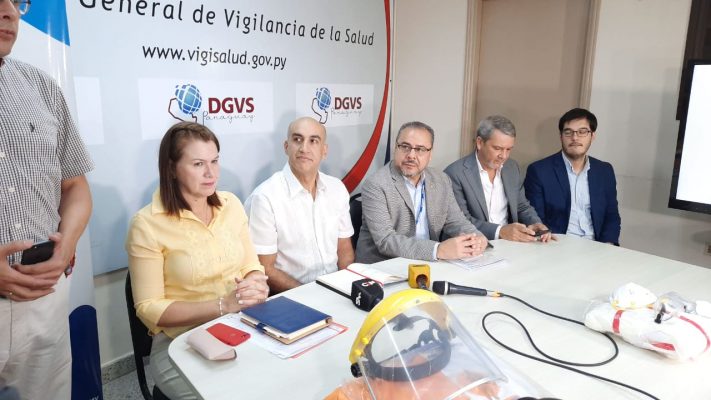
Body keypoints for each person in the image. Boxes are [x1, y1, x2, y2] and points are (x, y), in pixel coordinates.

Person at [125, 122, 269, 399]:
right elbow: (149, 307)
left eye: (214, 161)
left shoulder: (230, 204)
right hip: (180, 343)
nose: (211, 173)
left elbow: (251, 266)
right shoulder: (146, 224)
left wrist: (255, 284)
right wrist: (223, 305)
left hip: (240, 325)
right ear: (171, 168)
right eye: (198, 164)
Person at [0, 0, 95, 398]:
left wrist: (66, 245)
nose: (10, 12)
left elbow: (74, 185)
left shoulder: (40, 86)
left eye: (14, 0)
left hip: (44, 295)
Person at [245, 117, 354, 294]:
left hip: (336, 291)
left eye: (313, 141)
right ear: (286, 146)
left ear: (324, 151)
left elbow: (344, 250)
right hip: (291, 296)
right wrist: (310, 295)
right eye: (297, 139)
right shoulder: (264, 197)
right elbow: (264, 268)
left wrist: (346, 289)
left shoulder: (337, 188)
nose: (304, 148)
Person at [356, 121, 488, 264]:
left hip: (428, 263)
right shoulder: (376, 184)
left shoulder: (441, 180)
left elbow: (456, 221)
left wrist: (476, 238)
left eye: (420, 149)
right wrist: (438, 250)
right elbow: (386, 240)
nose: (411, 155)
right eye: (405, 147)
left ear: (430, 154)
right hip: (384, 266)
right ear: (395, 148)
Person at [444, 116, 552, 242]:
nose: (504, 156)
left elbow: (522, 206)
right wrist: (500, 231)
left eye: (508, 149)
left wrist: (535, 223)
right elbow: (460, 221)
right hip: (473, 244)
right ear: (479, 143)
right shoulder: (454, 174)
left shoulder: (512, 167)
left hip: (511, 244)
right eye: (497, 148)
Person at [524, 108, 621, 245]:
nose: (575, 138)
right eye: (568, 132)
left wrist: (608, 246)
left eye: (582, 132)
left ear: (592, 136)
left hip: (598, 246)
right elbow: (536, 219)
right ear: (561, 137)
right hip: (557, 246)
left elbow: (611, 215)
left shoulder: (604, 171)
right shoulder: (539, 171)